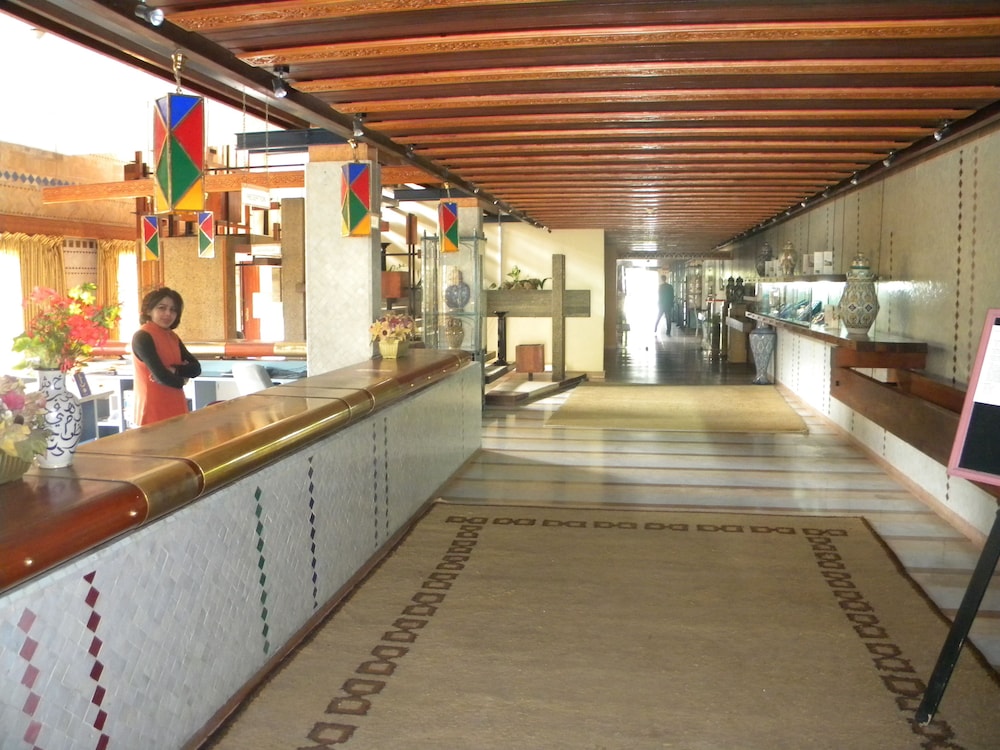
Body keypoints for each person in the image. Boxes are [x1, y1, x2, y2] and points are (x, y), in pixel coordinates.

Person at [131, 287, 201, 426]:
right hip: (152, 409)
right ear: (149, 311)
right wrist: (183, 379)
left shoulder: (172, 336)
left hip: (176, 405)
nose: (168, 313)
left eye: (173, 310)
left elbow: (196, 368)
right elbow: (162, 376)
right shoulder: (142, 337)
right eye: (161, 308)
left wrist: (175, 370)